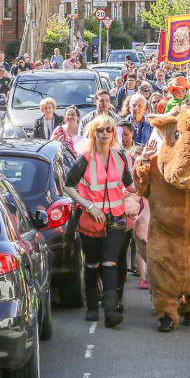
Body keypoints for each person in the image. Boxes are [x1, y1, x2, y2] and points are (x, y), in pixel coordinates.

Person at [63, 114, 135, 327]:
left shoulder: (120, 156)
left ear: (114, 133)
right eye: (101, 130)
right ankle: (93, 306)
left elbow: (130, 185)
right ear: (93, 133)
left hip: (116, 219)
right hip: (91, 219)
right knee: (92, 264)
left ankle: (111, 311)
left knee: (110, 262)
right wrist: (89, 206)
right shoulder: (85, 158)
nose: (105, 133)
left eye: (109, 130)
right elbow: (68, 185)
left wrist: (148, 172)